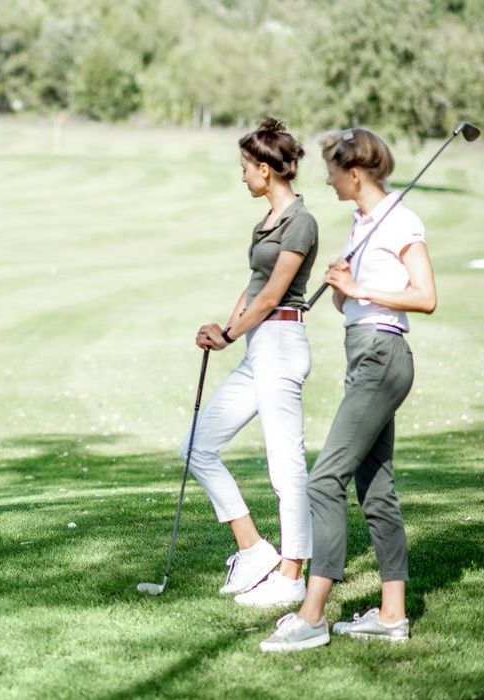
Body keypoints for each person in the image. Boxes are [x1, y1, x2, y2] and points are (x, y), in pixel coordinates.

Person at [261, 127, 436, 652]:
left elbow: (425, 296)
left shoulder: (400, 220)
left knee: (323, 480)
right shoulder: (362, 224)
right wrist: (343, 290)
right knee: (375, 490)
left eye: (333, 171)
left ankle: (312, 615)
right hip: (365, 353)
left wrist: (359, 287)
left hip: (383, 356)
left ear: (354, 173)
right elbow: (355, 306)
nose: (328, 180)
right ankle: (391, 615)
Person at [186, 118, 318, 607]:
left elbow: (274, 296)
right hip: (258, 345)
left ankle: (293, 574)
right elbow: (254, 287)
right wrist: (226, 326)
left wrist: (228, 333)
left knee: (286, 467)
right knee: (196, 446)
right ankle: (254, 549)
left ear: (265, 169)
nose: (242, 176)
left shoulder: (300, 221)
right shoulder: (266, 222)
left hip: (281, 343)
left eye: (245, 168)